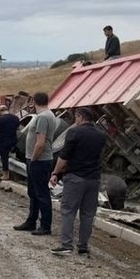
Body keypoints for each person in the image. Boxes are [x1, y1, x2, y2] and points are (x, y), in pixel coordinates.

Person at [49, 107, 108, 255]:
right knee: (88, 214)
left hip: (75, 177)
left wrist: (55, 172)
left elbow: (64, 156)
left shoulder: (74, 132)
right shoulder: (101, 135)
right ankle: (83, 246)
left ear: (80, 117)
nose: (75, 121)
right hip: (93, 178)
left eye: (76, 118)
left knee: (68, 211)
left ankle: (66, 245)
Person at [13, 91, 57, 236]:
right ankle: (31, 221)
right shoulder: (48, 115)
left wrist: (33, 159)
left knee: (41, 193)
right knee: (34, 192)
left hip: (39, 160)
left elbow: (40, 143)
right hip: (39, 159)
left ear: (33, 102)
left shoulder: (43, 117)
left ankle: (45, 225)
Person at [0, 106, 21, 181]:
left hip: (3, 141)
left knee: (4, 158)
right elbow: (18, 129)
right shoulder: (15, 118)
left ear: (0, 112)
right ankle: (15, 175)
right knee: (14, 158)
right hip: (14, 141)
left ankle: (6, 174)